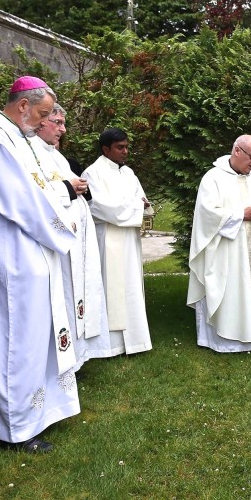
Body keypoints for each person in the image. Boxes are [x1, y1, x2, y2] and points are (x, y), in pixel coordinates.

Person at [0, 76, 79, 453]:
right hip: (10, 257)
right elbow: (22, 200)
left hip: (31, 251)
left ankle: (35, 411)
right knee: (14, 340)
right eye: (44, 113)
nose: (45, 120)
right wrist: (62, 228)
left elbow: (44, 186)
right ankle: (14, 427)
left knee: (32, 339)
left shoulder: (19, 137)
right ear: (23, 105)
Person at [33, 104, 111, 368]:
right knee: (60, 298)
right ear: (40, 121)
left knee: (74, 295)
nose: (63, 129)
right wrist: (69, 187)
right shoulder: (30, 153)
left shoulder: (56, 155)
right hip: (55, 245)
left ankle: (77, 355)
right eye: (58, 122)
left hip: (74, 244)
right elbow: (32, 195)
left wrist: (75, 187)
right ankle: (62, 359)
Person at [187, 134, 251, 352]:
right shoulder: (213, 178)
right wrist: (240, 214)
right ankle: (221, 342)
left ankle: (249, 335)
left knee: (250, 286)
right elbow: (207, 214)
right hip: (226, 251)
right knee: (228, 289)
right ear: (237, 151)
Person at [82, 127, 152, 356]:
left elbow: (142, 200)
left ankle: (135, 340)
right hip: (108, 237)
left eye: (127, 147)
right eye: (120, 147)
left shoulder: (129, 173)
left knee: (130, 285)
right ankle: (110, 345)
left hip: (128, 239)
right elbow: (99, 206)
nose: (125, 151)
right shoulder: (93, 173)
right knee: (109, 286)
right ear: (105, 149)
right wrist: (133, 207)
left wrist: (139, 206)